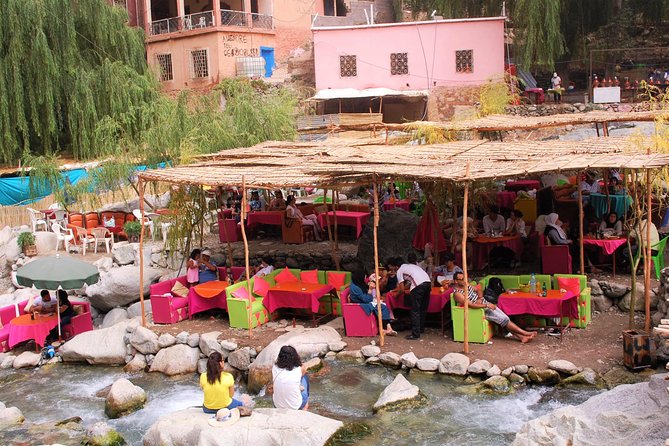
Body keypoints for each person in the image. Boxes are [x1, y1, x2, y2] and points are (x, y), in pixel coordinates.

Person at [452, 271, 536, 343]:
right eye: (461, 279)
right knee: (505, 320)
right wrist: (486, 305)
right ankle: (525, 333)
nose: (464, 281)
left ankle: (522, 337)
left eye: (464, 278)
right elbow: (470, 305)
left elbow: (479, 289)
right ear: (456, 281)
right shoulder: (458, 294)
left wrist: (480, 298)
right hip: (478, 310)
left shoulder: (467, 285)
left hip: (484, 304)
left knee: (504, 320)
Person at [387, 257, 432, 340]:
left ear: (396, 266)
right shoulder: (410, 266)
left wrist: (396, 296)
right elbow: (409, 283)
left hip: (418, 285)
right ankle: (420, 329)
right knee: (423, 308)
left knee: (415, 310)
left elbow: (401, 289)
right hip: (428, 283)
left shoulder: (400, 270)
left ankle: (415, 334)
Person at [349, 270, 396, 336]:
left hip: (365, 301)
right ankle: (383, 329)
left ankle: (388, 327)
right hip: (360, 304)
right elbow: (365, 299)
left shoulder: (359, 283)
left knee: (384, 305)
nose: (365, 278)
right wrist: (370, 289)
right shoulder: (355, 287)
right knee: (381, 307)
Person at [272, 345, 310, 411]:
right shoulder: (298, 369)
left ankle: (297, 387)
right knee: (304, 378)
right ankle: (305, 407)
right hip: (295, 406)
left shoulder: (274, 368)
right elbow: (304, 367)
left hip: (277, 405)